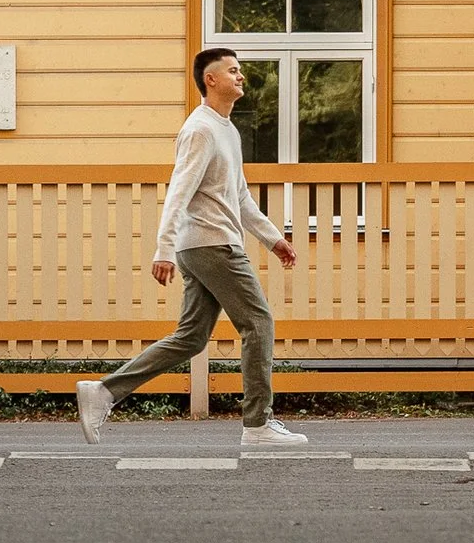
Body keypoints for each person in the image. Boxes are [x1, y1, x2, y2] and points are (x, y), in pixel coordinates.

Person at [77, 47, 308, 447]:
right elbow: (178, 192)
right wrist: (163, 248)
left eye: (240, 71)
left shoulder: (227, 130)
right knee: (258, 323)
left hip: (208, 242)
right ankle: (258, 425)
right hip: (211, 243)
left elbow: (238, 198)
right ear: (211, 79)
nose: (240, 77)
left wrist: (272, 238)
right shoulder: (199, 130)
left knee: (191, 337)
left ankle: (104, 391)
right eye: (232, 71)